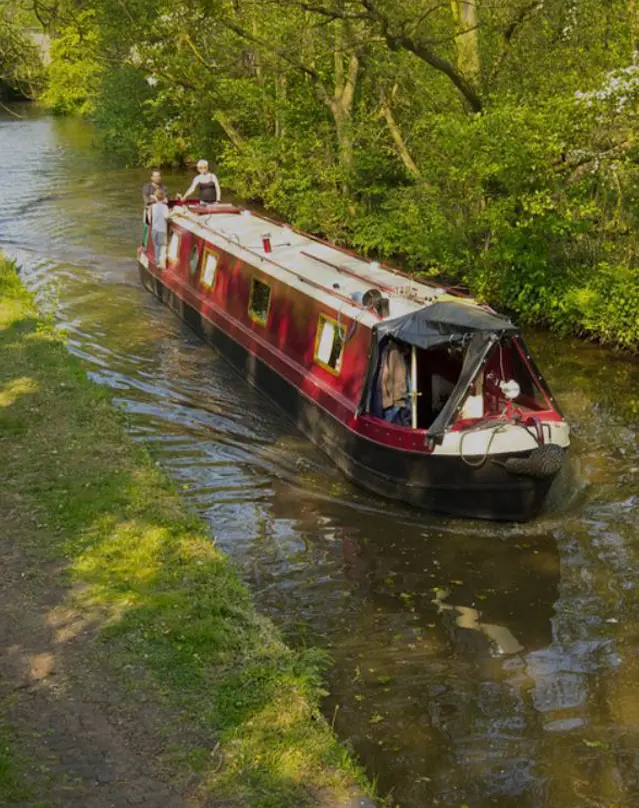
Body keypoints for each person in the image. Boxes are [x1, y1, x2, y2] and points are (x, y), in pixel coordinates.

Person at [149, 188, 170, 268]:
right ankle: (162, 265)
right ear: (164, 197)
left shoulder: (153, 206)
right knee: (163, 247)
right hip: (162, 230)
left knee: (156, 246)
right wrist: (174, 213)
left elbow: (150, 217)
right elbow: (166, 216)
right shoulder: (165, 207)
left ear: (155, 197)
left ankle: (157, 262)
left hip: (154, 230)